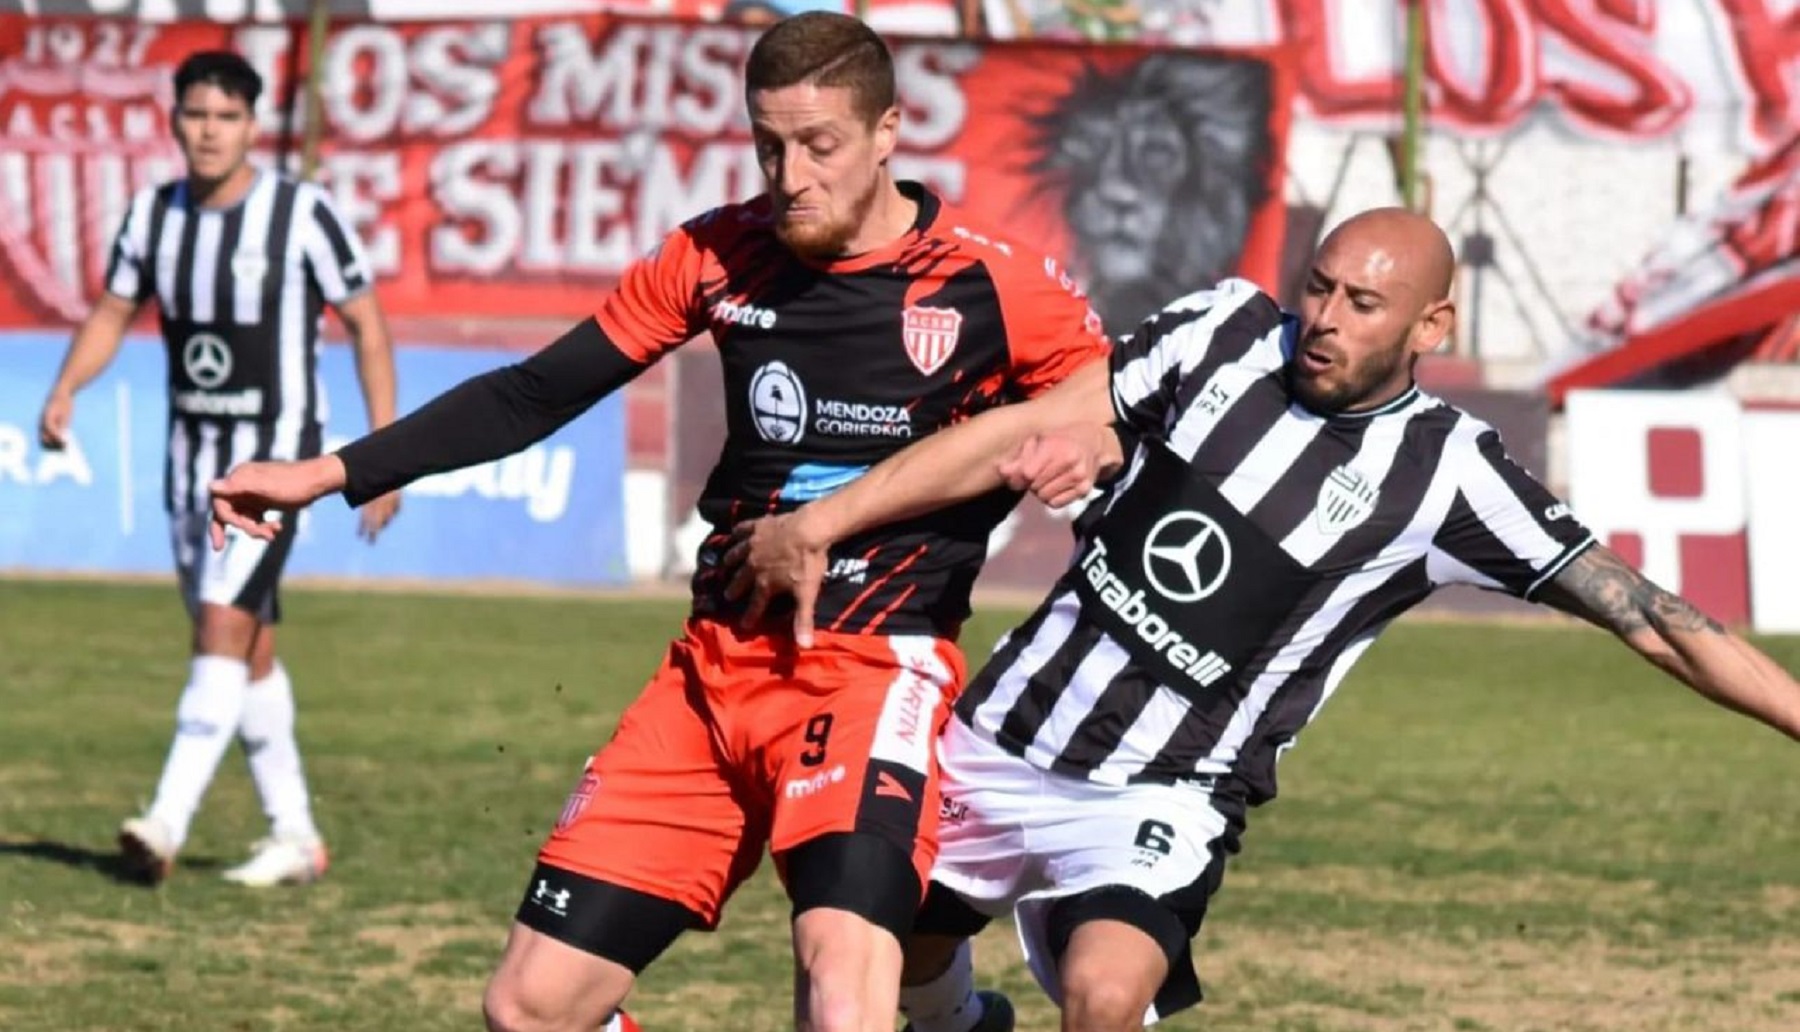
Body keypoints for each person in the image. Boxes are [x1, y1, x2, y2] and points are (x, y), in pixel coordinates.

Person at [206, 13, 1109, 1032]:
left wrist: (1058, 455)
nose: (791, 174)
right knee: (531, 1007)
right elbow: (533, 393)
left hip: (870, 674)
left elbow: (1106, 410)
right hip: (713, 675)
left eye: (821, 145)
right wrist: (327, 472)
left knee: (843, 991)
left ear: (889, 130)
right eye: (770, 145)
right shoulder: (717, 252)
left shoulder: (993, 283)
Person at [721, 207, 1800, 1032]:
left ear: (1434, 325)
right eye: (1319, 287)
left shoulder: (1452, 475)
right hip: (1003, 739)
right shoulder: (1223, 332)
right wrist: (835, 518)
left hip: (1164, 789)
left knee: (1105, 993)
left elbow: (1649, 616)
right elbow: (1061, 419)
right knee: (879, 951)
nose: (1324, 319)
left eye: (1362, 305)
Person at [36, 50, 401, 889]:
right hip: (187, 465)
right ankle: (297, 838)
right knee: (250, 649)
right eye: (196, 114)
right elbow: (113, 310)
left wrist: (382, 454)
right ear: (174, 120)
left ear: (251, 126)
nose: (209, 131)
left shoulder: (302, 214)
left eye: (226, 117)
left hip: (272, 466)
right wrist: (65, 389)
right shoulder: (152, 217)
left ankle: (164, 821)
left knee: (217, 630)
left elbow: (367, 325)